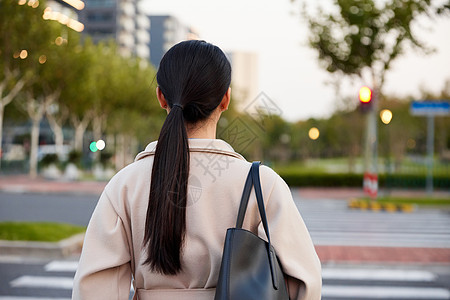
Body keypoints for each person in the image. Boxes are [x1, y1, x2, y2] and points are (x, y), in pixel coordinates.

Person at [72, 40, 321, 300]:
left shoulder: (124, 185)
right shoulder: (262, 185)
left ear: (161, 97)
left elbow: (94, 290)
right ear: (226, 98)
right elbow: (305, 283)